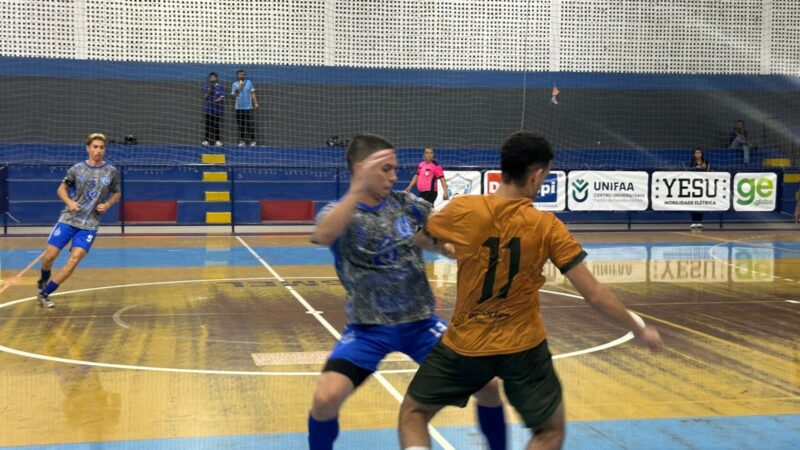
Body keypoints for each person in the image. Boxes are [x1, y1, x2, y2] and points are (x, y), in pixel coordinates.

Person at [398, 131, 663, 450]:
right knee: (550, 431)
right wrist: (639, 327)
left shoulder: (465, 209)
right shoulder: (547, 226)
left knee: (413, 412)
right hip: (524, 347)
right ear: (536, 175)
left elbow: (421, 237)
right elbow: (594, 294)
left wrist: (444, 247)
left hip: (466, 343)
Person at [308, 134, 506, 450]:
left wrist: (446, 246)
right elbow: (323, 233)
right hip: (368, 330)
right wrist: (357, 189)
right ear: (362, 169)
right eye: (385, 169)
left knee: (489, 385)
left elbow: (440, 232)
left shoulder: (406, 204)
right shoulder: (339, 212)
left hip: (421, 326)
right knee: (325, 398)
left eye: (394, 169)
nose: (394, 176)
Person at [36, 133, 121, 308]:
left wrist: (108, 204)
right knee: (49, 257)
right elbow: (61, 189)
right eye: (95, 147)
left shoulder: (111, 171)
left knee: (74, 260)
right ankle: (43, 278)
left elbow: (117, 193)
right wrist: (69, 202)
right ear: (88, 148)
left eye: (101, 147)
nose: (98, 150)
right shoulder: (77, 169)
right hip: (69, 219)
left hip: (89, 225)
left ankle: (45, 294)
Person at [231, 69, 258, 146]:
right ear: (237, 76)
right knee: (241, 125)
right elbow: (233, 96)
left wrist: (255, 103)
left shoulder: (249, 82)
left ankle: (253, 141)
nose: (241, 76)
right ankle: (242, 141)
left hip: (248, 107)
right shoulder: (234, 84)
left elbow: (252, 93)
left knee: (250, 124)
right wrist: (238, 88)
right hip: (239, 108)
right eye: (239, 74)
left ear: (244, 75)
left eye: (242, 74)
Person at [689, 147, 710, 230]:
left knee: (701, 203)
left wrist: (704, 168)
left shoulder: (706, 162)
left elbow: (709, 172)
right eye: (696, 153)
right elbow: (689, 171)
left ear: (702, 154)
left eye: (699, 152)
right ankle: (694, 221)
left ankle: (700, 222)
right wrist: (695, 168)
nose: (697, 154)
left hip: (703, 185)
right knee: (693, 203)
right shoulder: (692, 162)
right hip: (693, 185)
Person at [202, 72, 225, 146]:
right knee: (208, 125)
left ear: (216, 78)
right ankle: (206, 140)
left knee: (216, 125)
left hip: (216, 109)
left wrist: (216, 100)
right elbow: (204, 97)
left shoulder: (220, 87)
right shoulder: (206, 87)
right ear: (209, 78)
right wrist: (208, 91)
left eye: (214, 77)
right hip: (208, 109)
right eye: (211, 77)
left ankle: (217, 141)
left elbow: (222, 97)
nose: (212, 78)